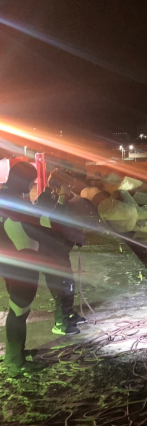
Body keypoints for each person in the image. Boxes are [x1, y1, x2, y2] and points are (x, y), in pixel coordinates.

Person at [0, 161, 48, 378]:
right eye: (30, 182)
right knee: (19, 310)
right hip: (21, 263)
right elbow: (30, 232)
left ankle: (16, 352)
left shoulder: (5, 196)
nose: (31, 186)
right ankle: (14, 362)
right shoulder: (12, 202)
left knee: (20, 308)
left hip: (11, 262)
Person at [35, 176, 86, 335]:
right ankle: (60, 323)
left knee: (68, 286)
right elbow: (56, 222)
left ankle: (68, 315)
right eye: (67, 187)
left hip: (59, 253)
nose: (70, 189)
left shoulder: (54, 200)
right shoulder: (46, 201)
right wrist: (78, 237)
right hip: (50, 256)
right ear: (58, 188)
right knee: (61, 288)